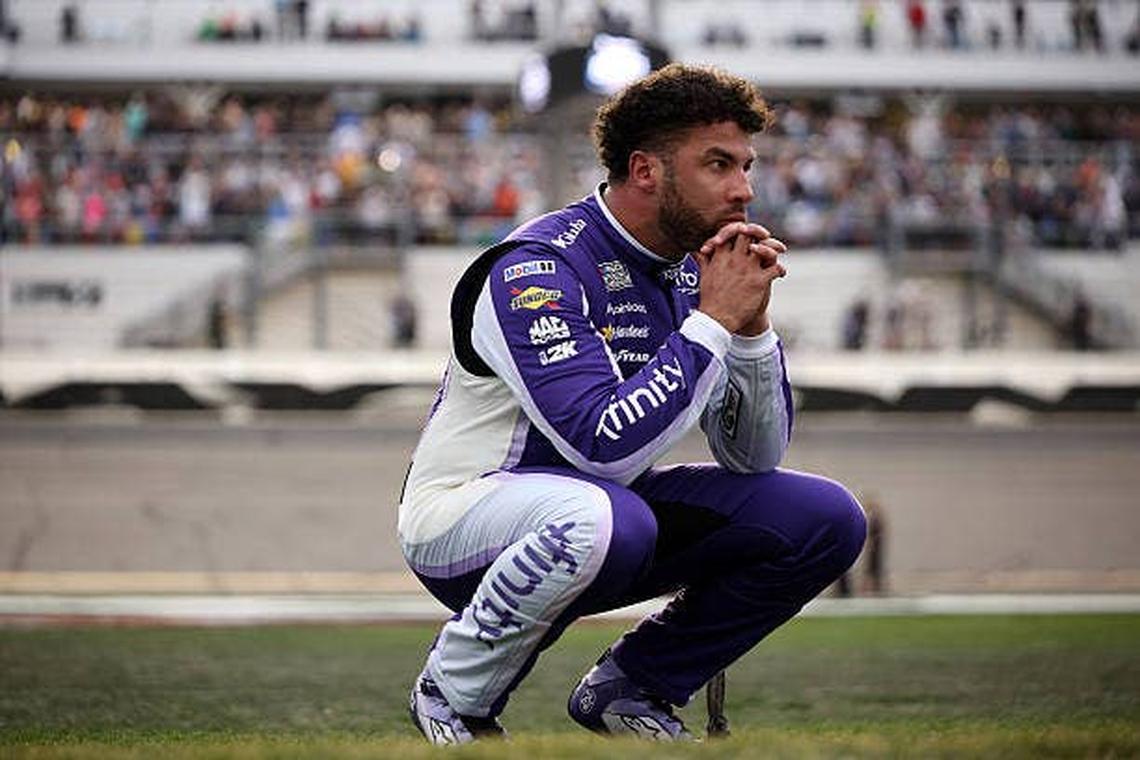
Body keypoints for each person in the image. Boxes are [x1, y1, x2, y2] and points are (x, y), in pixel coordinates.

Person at [400, 64, 866, 744]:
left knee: (825, 518)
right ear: (646, 171)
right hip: (464, 518)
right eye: (718, 164)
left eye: (745, 165)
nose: (744, 189)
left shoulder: (692, 270)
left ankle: (634, 686)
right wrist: (712, 322)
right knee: (604, 519)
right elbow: (601, 445)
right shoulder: (537, 266)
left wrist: (750, 329)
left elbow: (754, 456)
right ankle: (453, 694)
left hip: (610, 514)